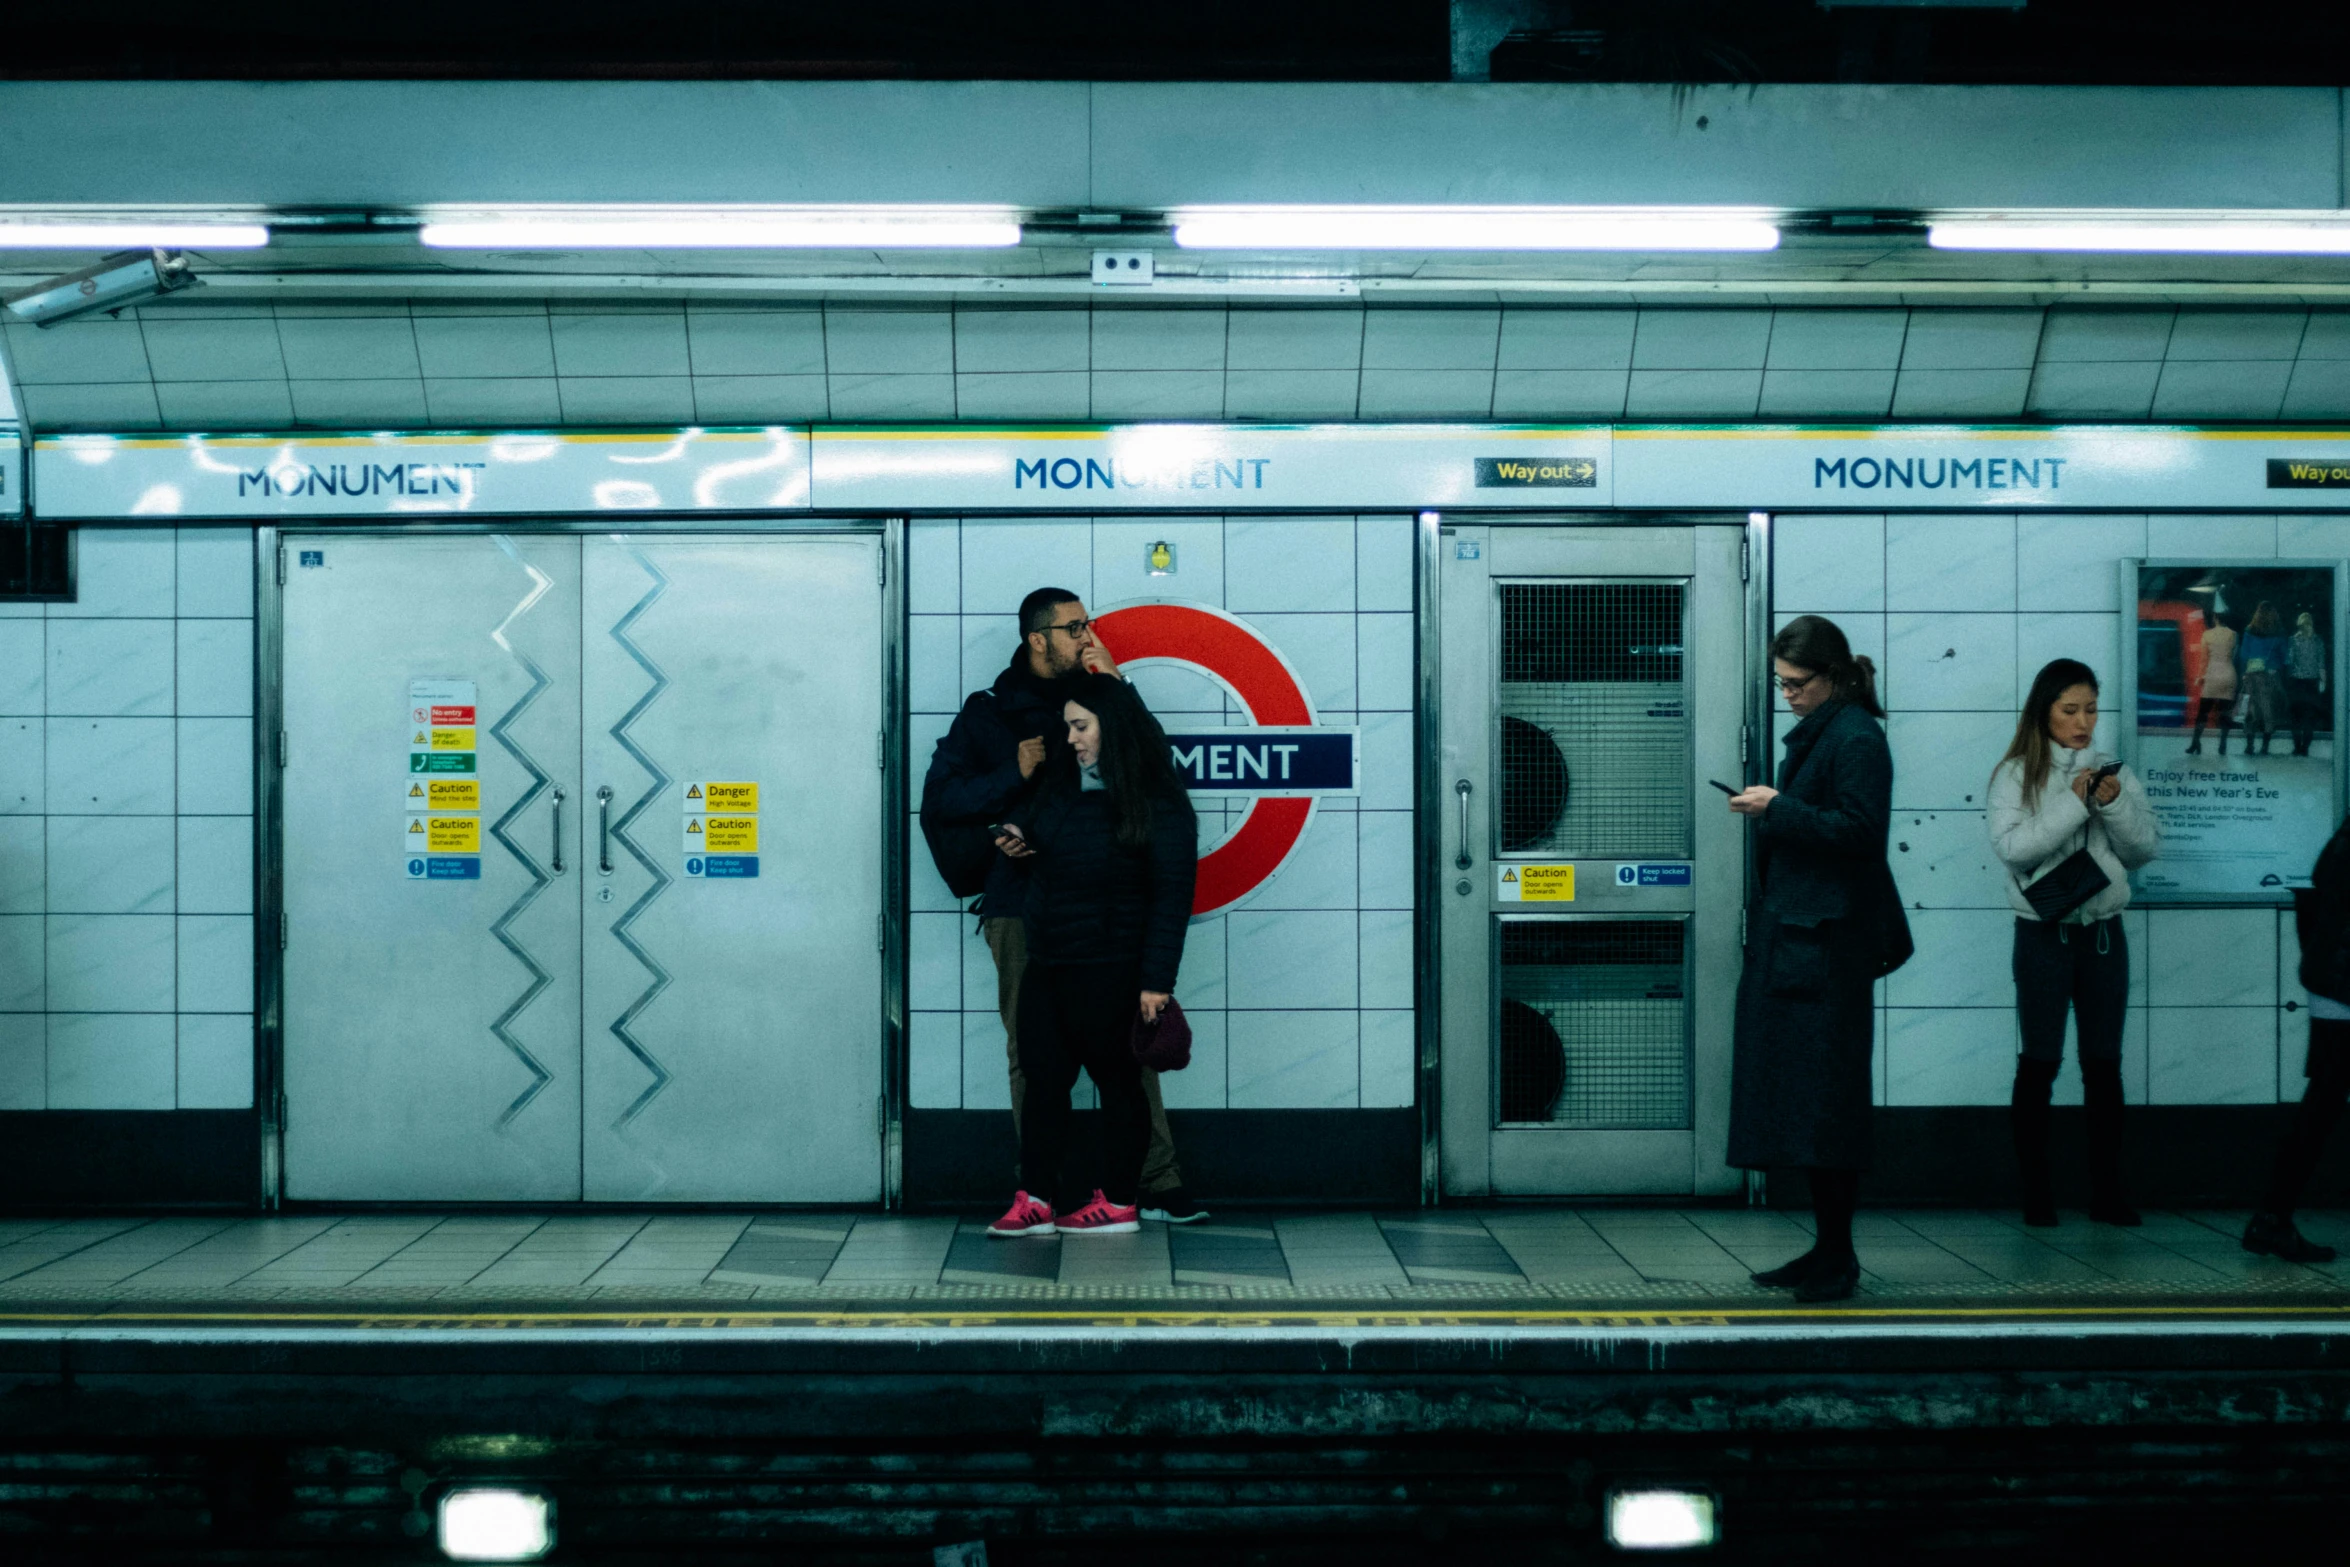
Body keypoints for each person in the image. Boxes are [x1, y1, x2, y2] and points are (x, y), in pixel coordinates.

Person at [921, 587, 1205, 1224]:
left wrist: (1119, 681)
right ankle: (1040, 1190)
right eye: (1074, 627)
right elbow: (941, 798)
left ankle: (1151, 1182)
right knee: (1034, 1056)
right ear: (1037, 638)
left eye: (1089, 625)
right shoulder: (990, 713)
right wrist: (1012, 778)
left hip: (1109, 907)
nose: (1087, 636)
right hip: (1023, 907)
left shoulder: (1107, 696)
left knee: (1129, 1048)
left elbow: (1152, 766)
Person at [1727, 616, 1909, 1305]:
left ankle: (1840, 1257)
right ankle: (1827, 1247)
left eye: (1797, 683)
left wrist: (1779, 807)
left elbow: (1862, 832)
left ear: (1831, 674)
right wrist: (1780, 808)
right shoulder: (1833, 730)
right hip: (1805, 938)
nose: (1789, 695)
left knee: (1827, 1103)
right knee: (1806, 1100)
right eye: (1782, 684)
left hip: (1828, 947)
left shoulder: (1858, 736)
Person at [987, 674, 1197, 1237]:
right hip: (1050, 962)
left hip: (1113, 965)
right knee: (1042, 1080)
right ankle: (1034, 1198)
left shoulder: (1157, 799)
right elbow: (1037, 837)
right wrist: (1015, 836)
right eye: (1068, 728)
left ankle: (1121, 1202)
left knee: (1119, 1084)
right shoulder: (1060, 784)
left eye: (1082, 727)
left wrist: (1156, 981)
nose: (1072, 738)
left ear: (1115, 727)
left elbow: (1172, 895)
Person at [1988, 659, 2161, 1229]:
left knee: (2104, 1065)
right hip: (2042, 935)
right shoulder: (2017, 774)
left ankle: (2106, 1193)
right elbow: (2014, 849)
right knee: (2039, 1063)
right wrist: (2075, 800)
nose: (2083, 722)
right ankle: (2036, 1193)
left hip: (2104, 936)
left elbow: (2142, 852)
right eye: (2070, 711)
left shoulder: (2114, 769)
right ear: (2044, 713)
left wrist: (2112, 802)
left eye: (2090, 709)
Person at [2244, 813, 2350, 1263]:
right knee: (2322, 1104)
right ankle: (2271, 1217)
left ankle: (2271, 1218)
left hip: (2332, 981)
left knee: (2321, 1104)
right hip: (2342, 984)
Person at [2239, 601, 2291, 757]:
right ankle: (2265, 747)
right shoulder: (2278, 633)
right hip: (2270, 675)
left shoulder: (2249, 630)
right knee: (2269, 710)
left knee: (2250, 709)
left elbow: (2243, 654)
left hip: (2251, 675)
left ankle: (2249, 745)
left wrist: (2245, 672)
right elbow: (2286, 658)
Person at [2186, 613, 2238, 757]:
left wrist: (2200, 677)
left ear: (2215, 619)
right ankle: (2223, 743)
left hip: (2212, 674)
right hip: (2228, 674)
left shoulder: (2207, 635)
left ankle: (2195, 743)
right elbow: (2234, 656)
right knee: (2225, 712)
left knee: (2203, 712)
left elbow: (2204, 660)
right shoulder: (2233, 634)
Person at [2287, 610, 2327, 758]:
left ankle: (2297, 747)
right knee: (2309, 717)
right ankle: (2305, 748)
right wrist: (2324, 682)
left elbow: (2290, 661)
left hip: (2297, 682)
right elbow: (2321, 664)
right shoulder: (2318, 641)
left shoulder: (2293, 640)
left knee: (2295, 717)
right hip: (2312, 683)